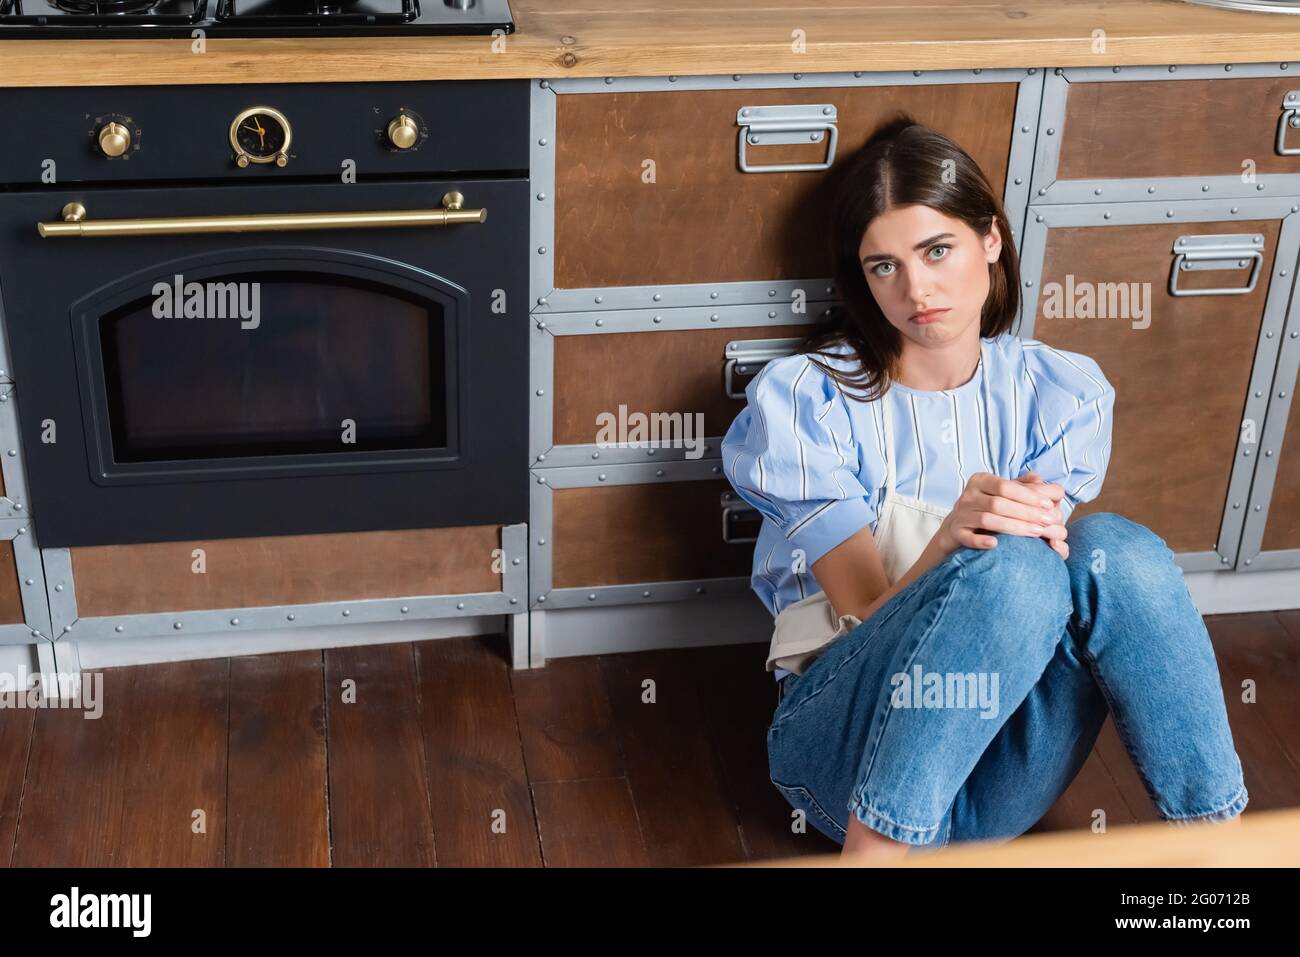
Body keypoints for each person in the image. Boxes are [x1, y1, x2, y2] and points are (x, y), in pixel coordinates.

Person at [720, 114, 1249, 861]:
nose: (916, 288)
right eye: (884, 266)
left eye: (938, 250)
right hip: (844, 766)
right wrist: (946, 544)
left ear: (991, 239)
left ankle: (1224, 858)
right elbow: (864, 613)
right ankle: (872, 857)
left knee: (1113, 552)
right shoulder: (809, 400)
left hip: (988, 780)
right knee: (1014, 566)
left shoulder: (1055, 393)